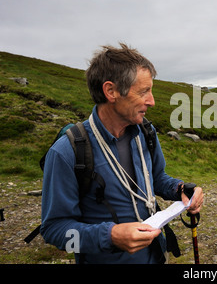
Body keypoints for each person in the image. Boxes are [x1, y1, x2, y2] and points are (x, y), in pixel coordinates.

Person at [41, 43, 204, 264]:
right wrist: (110, 236)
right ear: (111, 91)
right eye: (144, 91)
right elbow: (54, 231)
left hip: (155, 257)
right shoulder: (66, 152)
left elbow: (156, 179)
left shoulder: (146, 132)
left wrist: (180, 190)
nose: (152, 101)